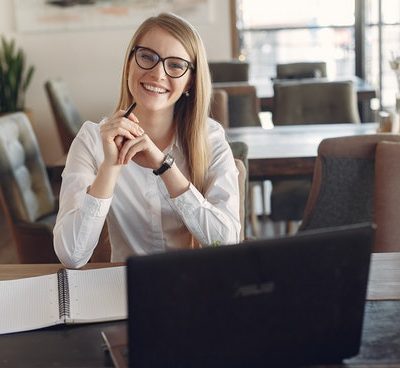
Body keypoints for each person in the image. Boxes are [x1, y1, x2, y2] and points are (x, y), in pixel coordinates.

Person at [53, 12, 240, 268]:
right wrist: (111, 166)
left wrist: (165, 167)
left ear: (190, 82)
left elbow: (226, 245)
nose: (157, 73)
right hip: (124, 289)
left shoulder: (211, 138)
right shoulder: (92, 140)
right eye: (147, 57)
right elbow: (71, 255)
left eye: (175, 65)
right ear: (129, 63)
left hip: (194, 286)